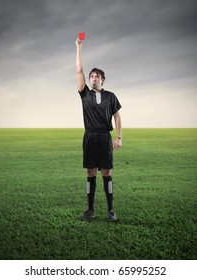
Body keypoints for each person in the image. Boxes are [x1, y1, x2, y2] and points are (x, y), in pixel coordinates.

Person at [75, 37, 122, 222]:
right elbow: (79, 70)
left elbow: (117, 116)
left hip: (104, 138)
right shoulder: (84, 94)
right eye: (91, 76)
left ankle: (110, 211)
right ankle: (90, 209)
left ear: (103, 79)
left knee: (107, 172)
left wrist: (119, 137)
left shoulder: (111, 96)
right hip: (89, 137)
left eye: (97, 76)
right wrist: (78, 48)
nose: (93, 78)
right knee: (90, 172)